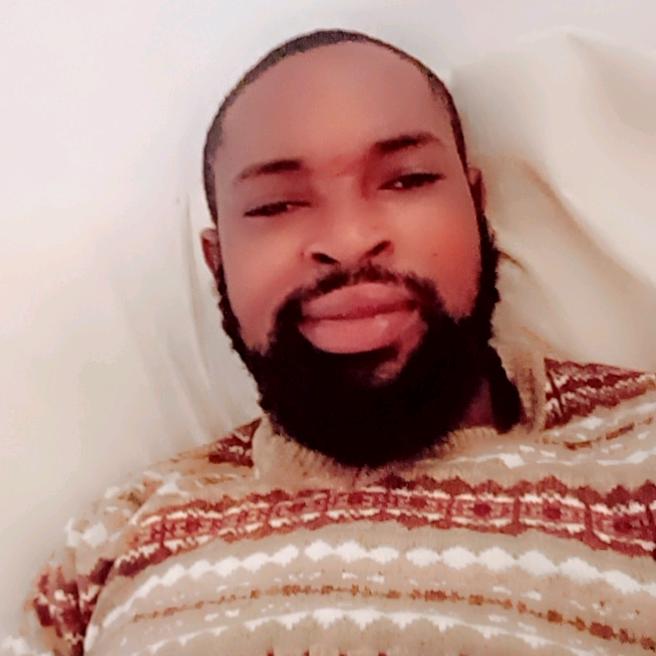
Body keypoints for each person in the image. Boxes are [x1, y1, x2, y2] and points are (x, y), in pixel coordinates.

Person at [4, 28, 655, 656]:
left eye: (406, 180)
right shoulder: (118, 534)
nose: (348, 242)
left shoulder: (641, 448)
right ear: (218, 264)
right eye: (275, 205)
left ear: (476, 208)